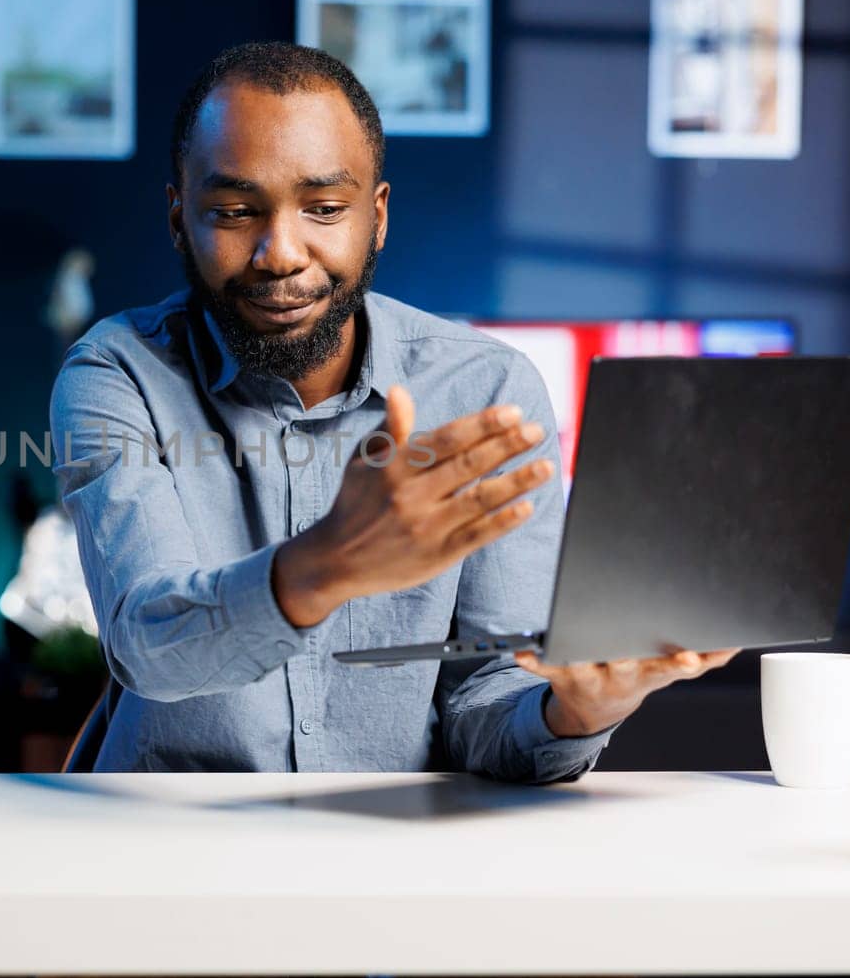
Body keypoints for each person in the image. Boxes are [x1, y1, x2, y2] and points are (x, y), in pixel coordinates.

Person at [49, 42, 736, 777]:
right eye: (235, 210)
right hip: (167, 850)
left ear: (375, 216)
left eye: (323, 208)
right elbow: (145, 641)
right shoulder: (117, 372)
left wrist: (576, 711)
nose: (281, 252)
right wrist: (332, 559)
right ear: (180, 216)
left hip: (399, 854)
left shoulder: (488, 388)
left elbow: (490, 695)